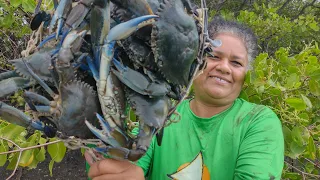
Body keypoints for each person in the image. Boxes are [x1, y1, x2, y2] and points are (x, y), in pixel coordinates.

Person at [85, 17, 284, 180]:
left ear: (245, 74)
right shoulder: (162, 115)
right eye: (214, 56)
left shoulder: (259, 121)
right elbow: (130, 165)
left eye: (236, 63)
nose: (224, 67)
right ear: (195, 61)